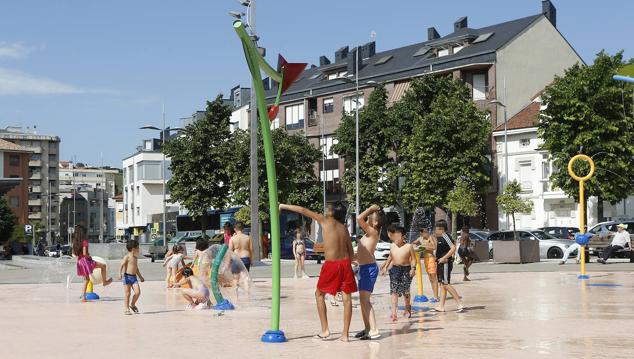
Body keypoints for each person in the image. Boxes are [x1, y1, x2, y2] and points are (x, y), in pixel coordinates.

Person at [279, 202, 356, 343]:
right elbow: (351, 253)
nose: (325, 209)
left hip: (332, 265)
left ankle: (325, 330)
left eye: (328, 208)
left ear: (333, 212)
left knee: (319, 294)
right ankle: (345, 334)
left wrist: (283, 206)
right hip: (345, 264)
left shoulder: (325, 221)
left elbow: (303, 209)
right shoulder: (344, 228)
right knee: (347, 299)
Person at [354, 204, 383, 340]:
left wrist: (370, 209)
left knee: (365, 300)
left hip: (369, 268)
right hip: (363, 268)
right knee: (362, 300)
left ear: (375, 222)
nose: (368, 218)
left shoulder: (373, 232)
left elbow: (359, 218)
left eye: (370, 216)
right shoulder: (367, 234)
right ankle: (367, 328)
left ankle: (374, 329)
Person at [381, 225, 416, 321]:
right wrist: (386, 267)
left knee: (406, 291)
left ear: (403, 236)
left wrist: (413, 268)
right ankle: (393, 313)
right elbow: (390, 257)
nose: (396, 237)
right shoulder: (392, 246)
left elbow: (413, 259)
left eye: (398, 235)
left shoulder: (408, 246)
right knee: (394, 291)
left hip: (406, 270)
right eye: (395, 235)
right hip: (395, 270)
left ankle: (407, 307)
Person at [72, 225, 112, 302]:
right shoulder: (84, 241)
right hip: (86, 261)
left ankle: (83, 297)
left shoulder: (75, 242)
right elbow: (84, 253)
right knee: (103, 266)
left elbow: (74, 253)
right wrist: (89, 256)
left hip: (79, 261)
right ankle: (104, 282)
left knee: (86, 279)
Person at [433, 220, 464, 313]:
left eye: (436, 229)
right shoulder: (441, 237)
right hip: (441, 263)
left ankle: (460, 303)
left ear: (441, 229)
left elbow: (453, 248)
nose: (435, 230)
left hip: (445, 263)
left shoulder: (445, 236)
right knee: (443, 285)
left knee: (446, 284)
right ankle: (441, 306)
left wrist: (444, 258)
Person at [412, 227, 439, 302]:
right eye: (424, 233)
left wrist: (425, 247)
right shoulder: (420, 238)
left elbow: (435, 247)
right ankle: (435, 296)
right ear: (421, 233)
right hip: (425, 260)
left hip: (431, 259)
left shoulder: (431, 237)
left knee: (433, 278)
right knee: (430, 278)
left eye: (426, 232)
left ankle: (436, 297)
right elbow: (413, 243)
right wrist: (415, 247)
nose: (426, 234)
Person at [118, 239, 144, 315]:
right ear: (133, 249)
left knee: (137, 292)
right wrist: (119, 273)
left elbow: (136, 268)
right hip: (127, 277)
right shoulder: (127, 257)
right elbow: (121, 265)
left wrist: (140, 276)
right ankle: (126, 309)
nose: (139, 249)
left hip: (134, 277)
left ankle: (132, 304)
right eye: (138, 248)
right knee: (127, 294)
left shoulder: (135, 258)